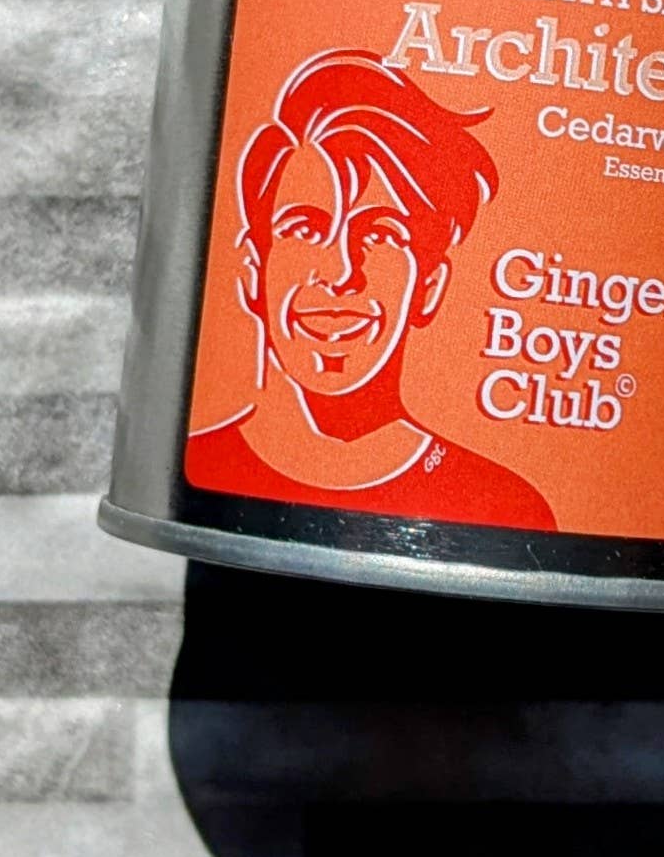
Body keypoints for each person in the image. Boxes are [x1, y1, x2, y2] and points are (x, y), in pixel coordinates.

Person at [185, 48, 557, 531]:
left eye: (380, 234)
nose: (341, 272)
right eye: (304, 229)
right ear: (254, 271)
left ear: (429, 286)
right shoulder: (198, 468)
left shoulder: (509, 508)